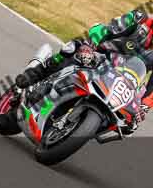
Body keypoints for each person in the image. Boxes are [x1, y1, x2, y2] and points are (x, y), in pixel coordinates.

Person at [15, 8, 153, 128]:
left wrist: (143, 106)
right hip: (98, 54)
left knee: (127, 122)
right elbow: (103, 30)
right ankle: (36, 72)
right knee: (72, 49)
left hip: (118, 81)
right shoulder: (139, 19)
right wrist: (89, 45)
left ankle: (72, 124)